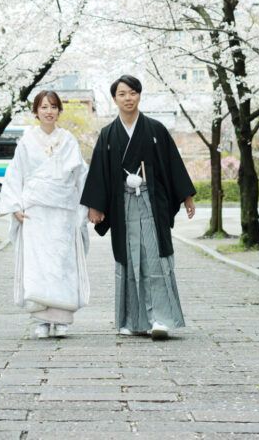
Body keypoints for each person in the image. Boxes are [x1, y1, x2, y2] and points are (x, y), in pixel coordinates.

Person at [81, 74, 196, 340]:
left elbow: (173, 164)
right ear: (114, 99)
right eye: (122, 94)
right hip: (122, 205)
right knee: (128, 258)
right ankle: (132, 320)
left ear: (140, 95)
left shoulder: (155, 130)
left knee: (154, 257)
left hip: (151, 202)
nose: (128, 98)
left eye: (132, 93)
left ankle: (160, 319)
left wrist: (186, 196)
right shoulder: (108, 134)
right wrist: (95, 206)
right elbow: (98, 172)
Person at [0, 89, 90, 339]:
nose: (49, 111)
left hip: (62, 211)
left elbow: (81, 175)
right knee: (38, 264)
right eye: (44, 107)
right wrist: (15, 206)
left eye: (53, 107)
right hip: (35, 211)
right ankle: (40, 319)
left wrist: (85, 207)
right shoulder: (27, 140)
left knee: (61, 262)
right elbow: (15, 173)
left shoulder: (68, 140)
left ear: (59, 111)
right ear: (36, 112)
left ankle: (61, 319)